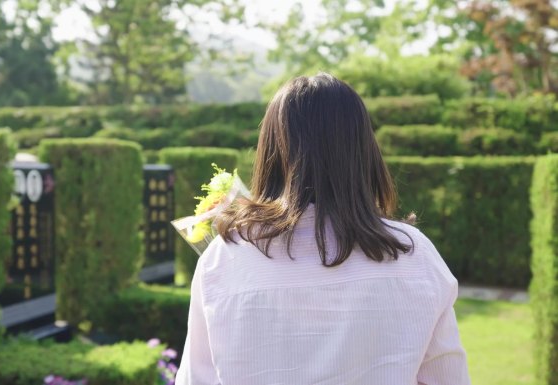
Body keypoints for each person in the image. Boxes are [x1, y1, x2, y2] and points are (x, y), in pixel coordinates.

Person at [175, 73, 470, 385]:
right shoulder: (413, 254)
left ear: (272, 149)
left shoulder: (225, 258)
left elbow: (197, 379)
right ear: (362, 148)